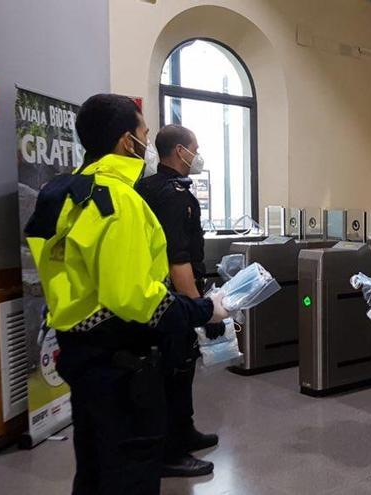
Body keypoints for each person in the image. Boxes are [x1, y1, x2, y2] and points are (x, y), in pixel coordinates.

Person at [24, 94, 228, 495]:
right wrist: (204, 310)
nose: (146, 143)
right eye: (143, 134)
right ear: (125, 141)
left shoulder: (60, 194)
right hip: (122, 363)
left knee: (95, 468)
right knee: (130, 471)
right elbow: (136, 299)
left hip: (79, 351)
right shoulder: (118, 199)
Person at [135, 125, 220, 478]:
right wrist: (202, 308)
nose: (197, 156)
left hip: (159, 295)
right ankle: (171, 451)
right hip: (172, 295)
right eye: (195, 149)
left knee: (182, 369)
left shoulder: (148, 186)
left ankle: (184, 431)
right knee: (175, 369)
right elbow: (177, 258)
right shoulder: (171, 194)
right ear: (180, 151)